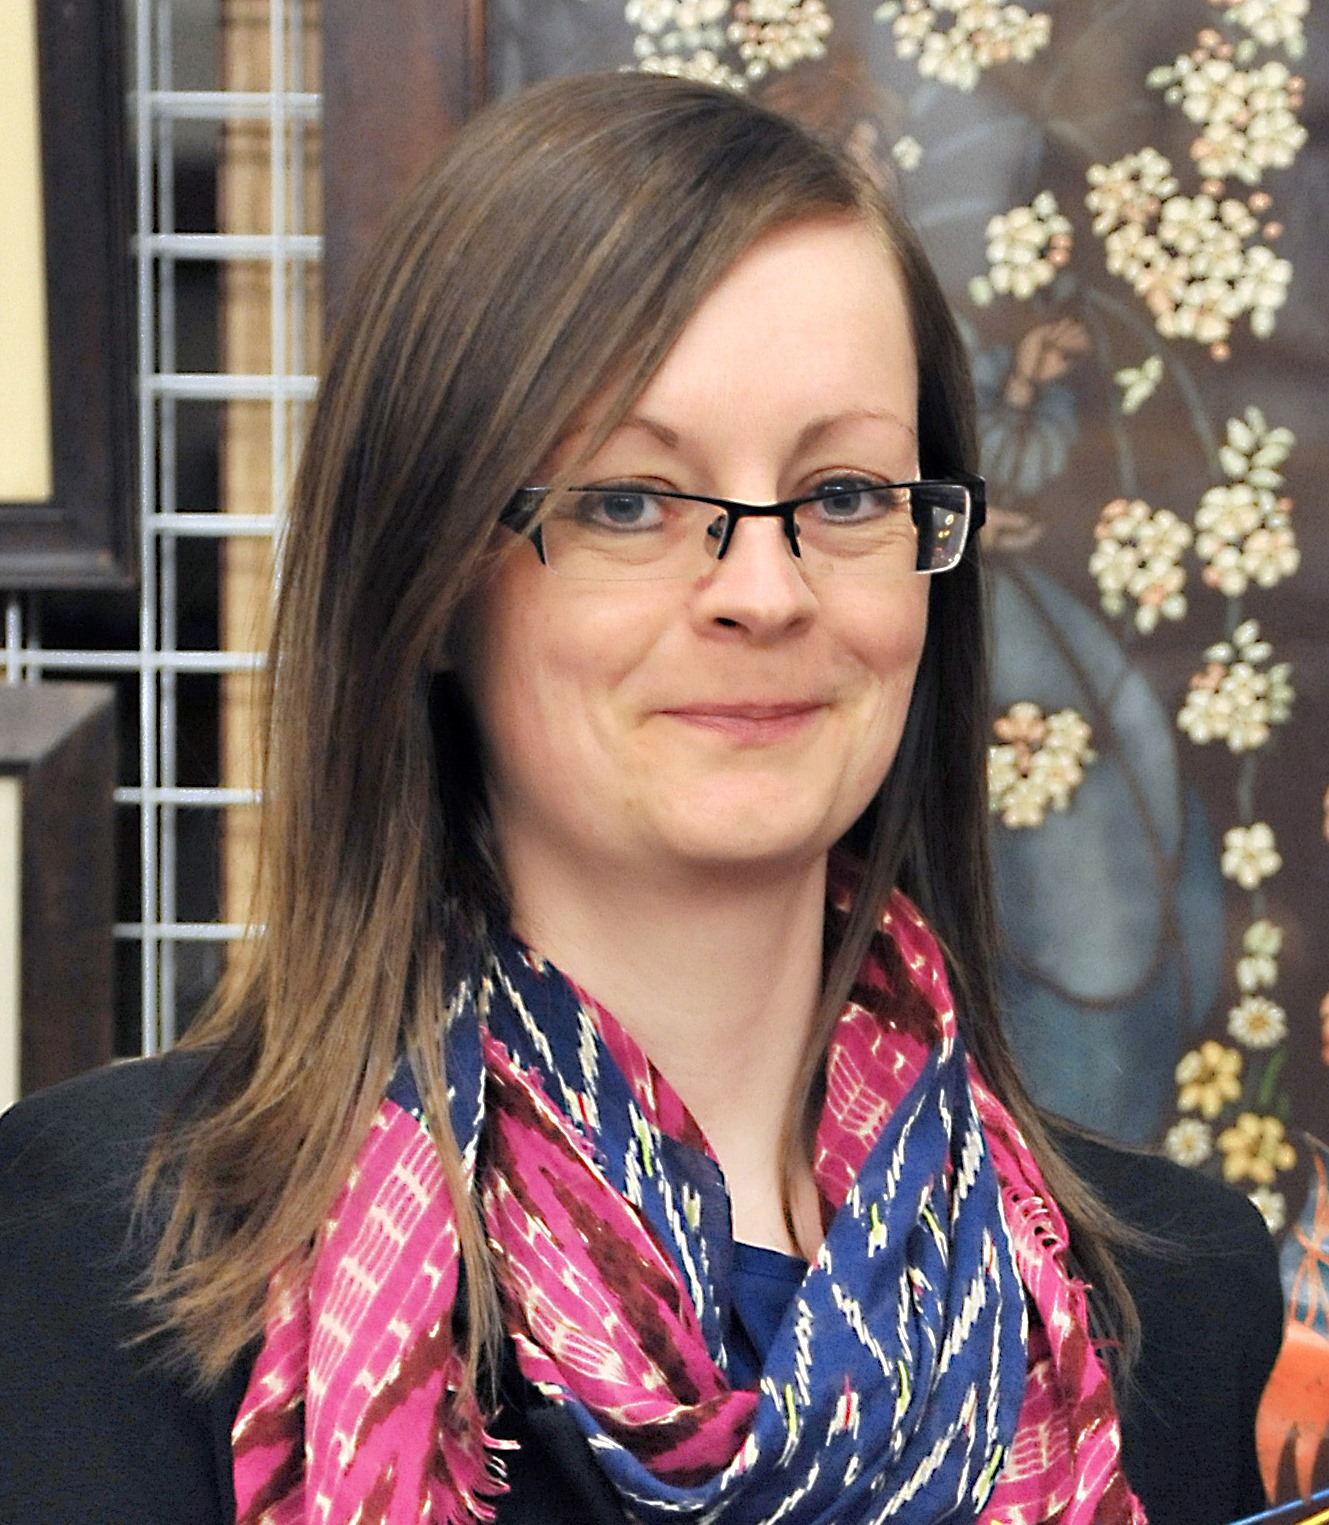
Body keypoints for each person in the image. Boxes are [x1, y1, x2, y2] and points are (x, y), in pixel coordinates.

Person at [0, 72, 1282, 1525]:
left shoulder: (1179, 1308)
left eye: (845, 495)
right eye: (628, 501)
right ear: (432, 580)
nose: (763, 590)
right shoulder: (108, 1268)